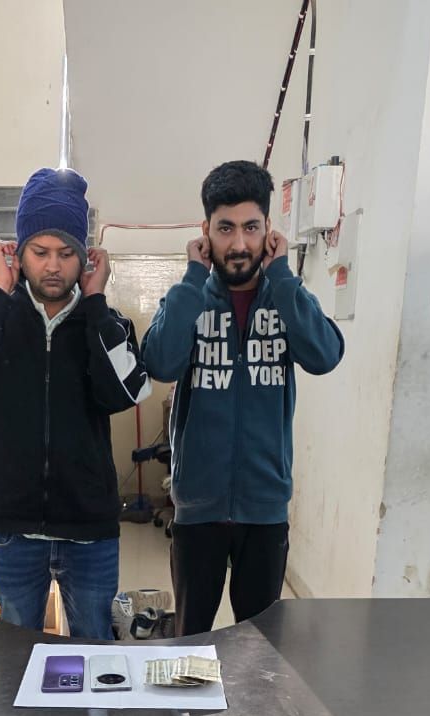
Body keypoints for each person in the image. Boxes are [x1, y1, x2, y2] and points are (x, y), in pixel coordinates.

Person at [0, 167, 151, 638]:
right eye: (40, 252)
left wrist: (95, 304)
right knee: (15, 657)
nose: (53, 266)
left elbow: (127, 391)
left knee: (96, 651)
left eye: (66, 254)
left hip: (88, 529)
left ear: (85, 259)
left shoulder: (104, 321)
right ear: (18, 252)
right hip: (12, 528)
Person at [141, 160, 345, 635]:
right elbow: (161, 363)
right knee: (191, 640)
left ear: (268, 230)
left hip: (264, 509)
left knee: (261, 648)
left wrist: (284, 278)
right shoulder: (188, 297)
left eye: (251, 227)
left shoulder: (285, 297)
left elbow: (325, 355)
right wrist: (192, 279)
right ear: (205, 232)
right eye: (225, 228)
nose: (238, 244)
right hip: (197, 510)